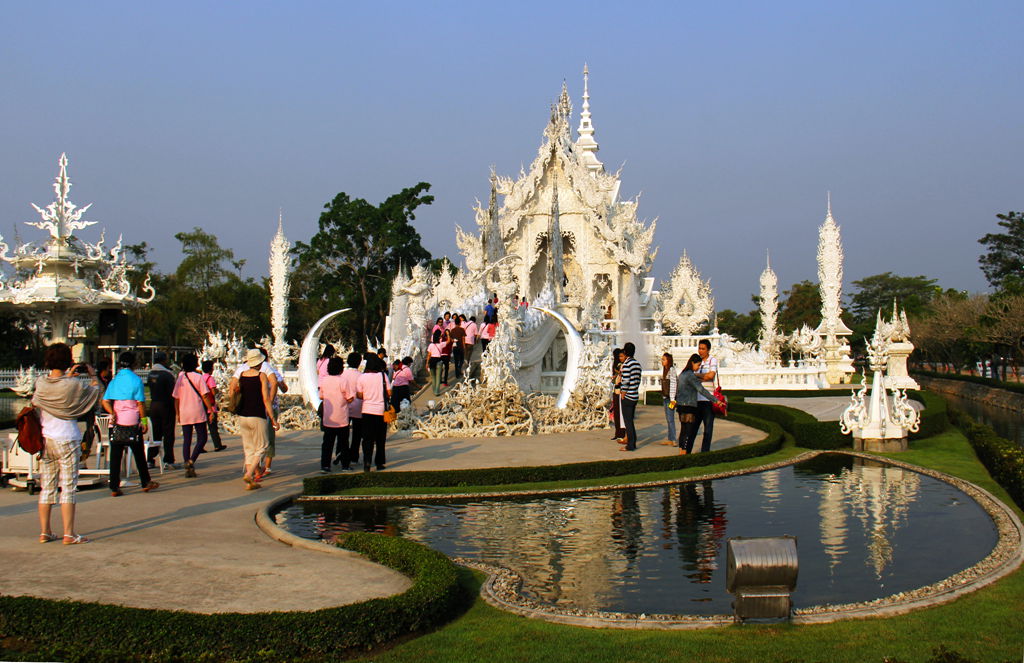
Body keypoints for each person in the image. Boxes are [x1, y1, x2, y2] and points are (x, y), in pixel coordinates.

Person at [31, 343, 101, 544]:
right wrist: (93, 375)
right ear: (68, 361)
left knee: (47, 487)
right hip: (67, 438)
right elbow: (95, 394)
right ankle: (69, 533)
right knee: (68, 487)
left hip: (47, 438)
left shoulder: (41, 383)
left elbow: (40, 400)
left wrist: (68, 376)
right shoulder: (73, 386)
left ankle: (45, 531)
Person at [102, 351, 159, 496]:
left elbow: (105, 401)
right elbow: (140, 403)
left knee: (115, 455)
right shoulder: (136, 380)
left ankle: (114, 486)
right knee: (139, 453)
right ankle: (145, 482)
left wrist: (112, 413)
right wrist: (144, 420)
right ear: (134, 364)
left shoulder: (114, 380)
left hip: (116, 423)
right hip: (132, 421)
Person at [229, 349, 278, 489]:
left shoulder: (242, 376)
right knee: (262, 446)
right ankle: (249, 474)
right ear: (260, 362)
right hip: (257, 415)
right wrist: (273, 418)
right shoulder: (261, 376)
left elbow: (232, 389)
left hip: (243, 416)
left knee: (249, 448)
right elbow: (266, 399)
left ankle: (251, 481)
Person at [172, 354, 215, 478]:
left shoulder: (180, 378)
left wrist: (178, 413)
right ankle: (192, 460)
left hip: (184, 411)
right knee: (202, 438)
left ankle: (187, 463)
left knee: (187, 439)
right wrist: (210, 410)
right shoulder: (198, 377)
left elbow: (176, 398)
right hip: (197, 410)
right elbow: (205, 395)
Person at [675, 353, 720, 455]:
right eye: (698, 365)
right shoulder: (690, 375)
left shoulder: (682, 374)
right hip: (689, 407)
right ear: (692, 363)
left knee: (683, 430)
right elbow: (701, 390)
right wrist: (715, 400)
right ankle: (684, 454)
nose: (698, 367)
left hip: (681, 406)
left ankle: (681, 452)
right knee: (688, 432)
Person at [357, 355, 392, 472]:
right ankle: (379, 462)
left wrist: (367, 395)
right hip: (380, 411)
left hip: (367, 410)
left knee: (367, 439)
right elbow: (389, 392)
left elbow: (360, 395)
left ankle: (367, 462)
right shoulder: (382, 376)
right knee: (380, 439)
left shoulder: (362, 378)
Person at [318, 357, 352, 473]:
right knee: (344, 443)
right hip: (342, 417)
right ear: (341, 369)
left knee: (327, 443)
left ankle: (325, 465)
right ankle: (345, 465)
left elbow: (321, 396)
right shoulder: (343, 381)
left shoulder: (324, 381)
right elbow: (350, 397)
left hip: (329, 418)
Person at [147, 352, 177, 469]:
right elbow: (172, 393)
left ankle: (150, 458)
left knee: (154, 433)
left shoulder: (151, 374)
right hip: (166, 405)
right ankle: (168, 460)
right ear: (164, 360)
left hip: (154, 405)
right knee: (168, 433)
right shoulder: (167, 375)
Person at [336, 352, 364, 469]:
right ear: (359, 363)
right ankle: (353, 457)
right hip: (358, 408)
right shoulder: (361, 376)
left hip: (344, 407)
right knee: (357, 435)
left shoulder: (342, 375)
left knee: (343, 434)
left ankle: (342, 454)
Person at [694, 339, 719, 453]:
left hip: (708, 399)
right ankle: (687, 449)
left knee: (708, 428)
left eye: (703, 348)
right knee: (693, 427)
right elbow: (691, 376)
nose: (700, 351)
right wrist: (704, 375)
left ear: (708, 349)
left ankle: (705, 451)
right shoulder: (697, 361)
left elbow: (711, 376)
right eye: (699, 348)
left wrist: (697, 376)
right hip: (696, 399)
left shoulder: (712, 360)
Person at [617, 342, 642, 452]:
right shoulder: (637, 364)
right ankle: (632, 441)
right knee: (630, 420)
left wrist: (623, 393)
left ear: (626, 352)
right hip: (635, 395)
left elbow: (626, 380)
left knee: (628, 422)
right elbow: (638, 379)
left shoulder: (627, 365)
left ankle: (631, 445)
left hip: (628, 396)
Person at [201, 360, 227, 451]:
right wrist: (217, 391)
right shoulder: (210, 378)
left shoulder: (201, 378)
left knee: (202, 427)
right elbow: (213, 390)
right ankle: (217, 445)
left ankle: (200, 446)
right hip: (210, 404)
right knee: (213, 427)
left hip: (202, 404)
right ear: (210, 369)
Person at [659, 353, 677, 446]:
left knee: (670, 419)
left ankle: (673, 439)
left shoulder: (671, 370)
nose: (662, 361)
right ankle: (670, 438)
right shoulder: (665, 370)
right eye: (662, 359)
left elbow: (673, 384)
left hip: (670, 399)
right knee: (668, 418)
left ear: (668, 360)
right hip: (666, 397)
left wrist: (673, 399)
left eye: (664, 359)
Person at [610, 348, 626, 443]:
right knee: (616, 413)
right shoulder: (616, 365)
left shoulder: (622, 365)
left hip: (620, 390)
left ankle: (621, 433)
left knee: (620, 413)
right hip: (616, 390)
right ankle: (618, 433)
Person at [427, 331, 444, 396]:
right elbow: (448, 341)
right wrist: (446, 335)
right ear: (439, 337)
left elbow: (429, 355)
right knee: (438, 377)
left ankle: (434, 390)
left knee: (433, 377)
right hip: (439, 361)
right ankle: (437, 391)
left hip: (432, 361)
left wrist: (427, 363)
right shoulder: (441, 344)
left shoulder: (431, 345)